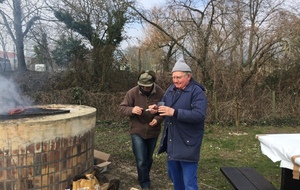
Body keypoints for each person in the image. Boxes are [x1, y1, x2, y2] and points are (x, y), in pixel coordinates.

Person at [152, 58, 207, 190]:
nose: (175, 80)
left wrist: (175, 112)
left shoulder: (197, 92)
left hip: (188, 143)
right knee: (175, 179)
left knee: (189, 182)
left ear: (188, 76)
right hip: (172, 143)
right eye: (173, 77)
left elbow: (199, 115)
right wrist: (157, 109)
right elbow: (164, 105)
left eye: (178, 77)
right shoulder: (171, 90)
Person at [119, 70, 165, 190]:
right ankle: (144, 183)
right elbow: (122, 108)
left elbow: (164, 110)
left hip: (153, 131)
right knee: (141, 159)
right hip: (137, 131)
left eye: (147, 86)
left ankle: (145, 175)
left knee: (148, 158)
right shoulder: (132, 92)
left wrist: (158, 119)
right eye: (142, 85)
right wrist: (132, 110)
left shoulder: (160, 92)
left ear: (153, 84)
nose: (145, 88)